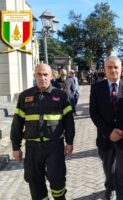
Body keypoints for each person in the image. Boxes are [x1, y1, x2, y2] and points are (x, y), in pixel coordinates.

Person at [10, 64, 75, 200]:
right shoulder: (24, 96)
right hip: (32, 148)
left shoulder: (61, 96)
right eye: (39, 74)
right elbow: (17, 124)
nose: (42, 78)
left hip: (54, 147)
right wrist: (16, 147)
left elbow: (69, 122)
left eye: (45, 74)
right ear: (34, 76)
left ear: (51, 76)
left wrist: (69, 142)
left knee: (57, 179)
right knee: (34, 181)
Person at [89, 56, 123, 200]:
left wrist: (122, 130)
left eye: (116, 67)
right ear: (105, 69)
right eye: (109, 67)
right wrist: (109, 132)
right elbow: (94, 113)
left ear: (121, 69)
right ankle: (110, 188)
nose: (113, 70)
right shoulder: (97, 88)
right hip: (105, 138)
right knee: (109, 169)